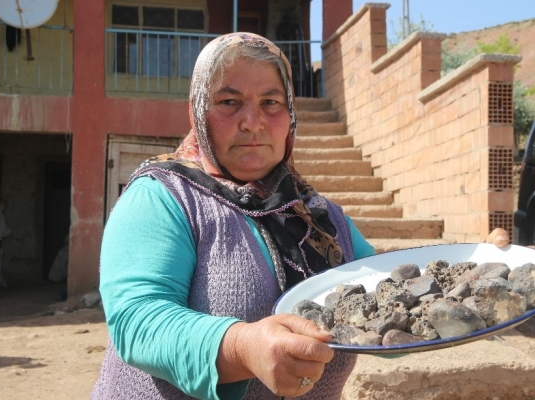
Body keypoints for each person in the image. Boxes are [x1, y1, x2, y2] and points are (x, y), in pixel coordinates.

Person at [91, 32, 510, 400]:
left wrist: (470, 271)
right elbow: (138, 322)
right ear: (197, 112)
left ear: (290, 113)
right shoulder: (164, 197)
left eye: (270, 102)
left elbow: (388, 297)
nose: (252, 122)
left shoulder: (321, 217)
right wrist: (242, 347)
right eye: (229, 101)